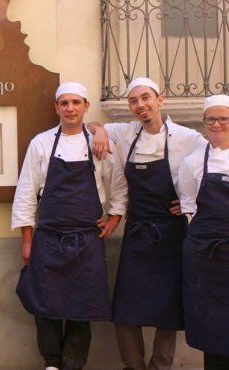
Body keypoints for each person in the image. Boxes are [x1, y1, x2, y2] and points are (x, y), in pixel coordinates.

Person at [89, 77, 207, 370]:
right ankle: (134, 366)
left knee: (168, 308)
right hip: (138, 232)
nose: (140, 105)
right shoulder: (125, 133)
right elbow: (90, 125)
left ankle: (159, 367)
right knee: (125, 308)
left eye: (146, 98)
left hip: (172, 233)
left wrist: (192, 202)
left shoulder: (188, 138)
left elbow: (214, 163)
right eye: (133, 101)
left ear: (160, 99)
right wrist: (101, 130)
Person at [12, 82, 127, 370]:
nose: (70, 108)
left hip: (87, 240)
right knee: (44, 304)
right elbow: (26, 191)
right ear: (56, 108)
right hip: (48, 238)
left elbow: (119, 186)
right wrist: (27, 240)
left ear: (86, 106)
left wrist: (114, 219)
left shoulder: (99, 142)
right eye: (64, 103)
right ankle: (51, 361)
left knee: (82, 305)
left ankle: (73, 363)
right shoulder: (41, 143)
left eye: (76, 102)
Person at [178, 95, 229, 370]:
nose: (217, 124)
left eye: (223, 118)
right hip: (206, 260)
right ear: (204, 123)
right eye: (211, 119)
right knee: (212, 325)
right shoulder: (193, 162)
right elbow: (188, 207)